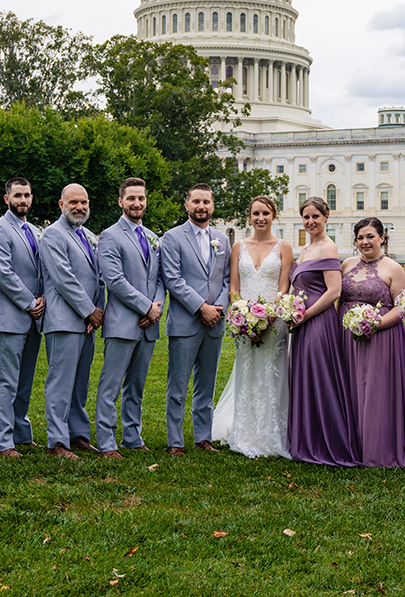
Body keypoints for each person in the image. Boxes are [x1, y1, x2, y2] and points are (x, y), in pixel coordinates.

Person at [213, 196, 293, 458]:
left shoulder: (284, 247)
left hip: (275, 322)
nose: (261, 218)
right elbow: (234, 288)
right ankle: (246, 431)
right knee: (247, 371)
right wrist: (242, 315)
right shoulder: (238, 246)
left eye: (266, 213)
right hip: (244, 324)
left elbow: (284, 288)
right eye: (256, 213)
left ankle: (273, 433)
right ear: (249, 216)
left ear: (274, 216)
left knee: (273, 374)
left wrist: (269, 316)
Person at [340, 217, 405, 468]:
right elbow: (339, 300)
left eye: (370, 237)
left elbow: (402, 309)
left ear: (382, 238)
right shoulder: (346, 265)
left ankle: (378, 446)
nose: (365, 242)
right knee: (351, 386)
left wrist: (373, 324)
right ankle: (352, 443)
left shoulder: (394, 269)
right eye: (360, 237)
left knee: (375, 389)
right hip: (347, 336)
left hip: (381, 336)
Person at [94, 177, 165, 459]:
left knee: (136, 386)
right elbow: (114, 280)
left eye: (141, 198)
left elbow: (159, 278)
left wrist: (156, 304)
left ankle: (132, 436)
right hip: (123, 323)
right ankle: (107, 441)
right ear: (121, 201)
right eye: (131, 198)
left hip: (149, 324)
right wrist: (146, 307)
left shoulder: (152, 236)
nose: (137, 203)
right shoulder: (110, 235)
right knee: (110, 386)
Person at [160, 183, 230, 456]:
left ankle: (203, 437)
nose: (202, 206)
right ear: (186, 205)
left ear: (212, 206)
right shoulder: (173, 237)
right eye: (196, 201)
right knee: (177, 385)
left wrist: (218, 308)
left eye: (206, 202)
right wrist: (201, 307)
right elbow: (173, 280)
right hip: (186, 321)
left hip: (215, 322)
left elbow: (226, 279)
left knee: (207, 384)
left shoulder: (222, 240)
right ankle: (175, 441)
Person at [287, 197, 357, 466]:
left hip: (318, 322)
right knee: (305, 376)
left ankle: (328, 442)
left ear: (327, 216)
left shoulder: (327, 247)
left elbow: (334, 292)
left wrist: (304, 315)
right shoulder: (306, 249)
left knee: (320, 378)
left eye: (316, 216)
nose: (310, 221)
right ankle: (307, 437)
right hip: (302, 322)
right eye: (306, 217)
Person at [40, 183, 105, 460]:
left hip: (86, 321)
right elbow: (63, 278)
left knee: (80, 382)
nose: (79, 207)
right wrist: (89, 310)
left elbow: (99, 278)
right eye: (73, 202)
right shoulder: (53, 235)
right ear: (61, 204)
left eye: (84, 202)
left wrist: (97, 310)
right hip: (64, 320)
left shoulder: (88, 235)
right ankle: (57, 441)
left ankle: (77, 435)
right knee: (60, 382)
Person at [0, 177, 45, 457]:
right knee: (7, 379)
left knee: (25, 379)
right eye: (18, 195)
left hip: (34, 317)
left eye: (27, 195)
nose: (23, 200)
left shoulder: (33, 230)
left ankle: (21, 432)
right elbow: (3, 274)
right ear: (6, 198)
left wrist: (42, 300)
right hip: (11, 315)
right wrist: (30, 302)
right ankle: (2, 440)